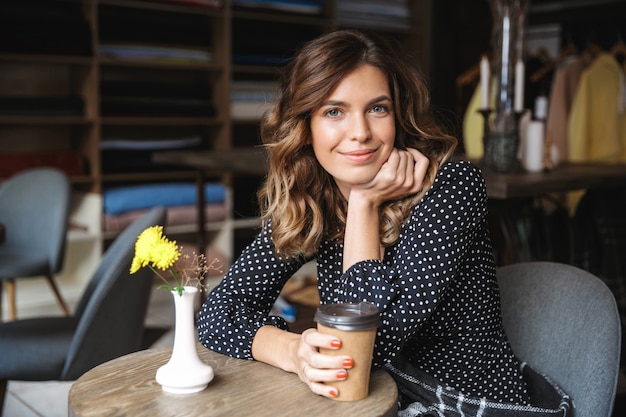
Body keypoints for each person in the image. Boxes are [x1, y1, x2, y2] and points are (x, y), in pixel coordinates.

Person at [197, 29, 571, 416]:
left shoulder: (453, 188)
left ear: (398, 115)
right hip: (376, 403)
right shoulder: (315, 199)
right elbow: (217, 313)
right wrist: (292, 351)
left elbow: (363, 350)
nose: (360, 133)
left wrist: (363, 206)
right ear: (305, 127)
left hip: (469, 405)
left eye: (378, 108)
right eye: (334, 111)